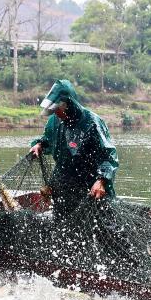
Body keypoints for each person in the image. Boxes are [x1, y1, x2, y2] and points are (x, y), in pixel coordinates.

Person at [29, 79, 119, 216]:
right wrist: (39, 145)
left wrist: (102, 180)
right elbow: (48, 140)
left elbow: (108, 156)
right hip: (63, 190)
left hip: (91, 189)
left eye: (57, 109)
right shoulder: (55, 121)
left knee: (98, 226)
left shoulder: (92, 123)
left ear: (68, 105)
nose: (55, 113)